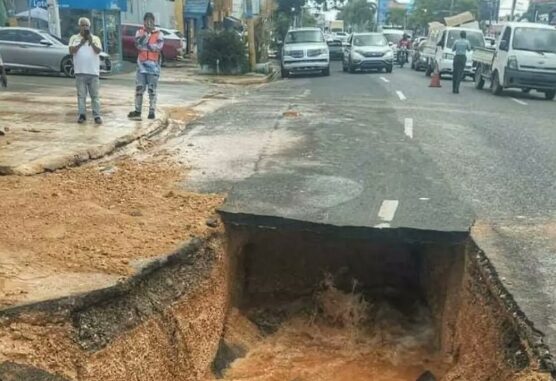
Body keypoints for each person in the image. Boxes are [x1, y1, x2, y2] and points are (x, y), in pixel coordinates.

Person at [128, 12, 164, 120]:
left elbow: (158, 47)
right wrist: (146, 35)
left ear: (154, 21)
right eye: (146, 20)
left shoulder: (159, 34)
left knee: (152, 90)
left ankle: (152, 111)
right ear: (144, 21)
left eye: (151, 20)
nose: (149, 23)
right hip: (141, 66)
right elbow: (138, 45)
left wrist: (148, 44)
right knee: (139, 89)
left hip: (153, 67)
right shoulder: (139, 32)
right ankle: (137, 110)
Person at [69, 17, 103, 124]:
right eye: (82, 25)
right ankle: (82, 115)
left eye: (86, 25)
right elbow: (71, 51)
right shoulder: (74, 38)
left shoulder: (96, 38)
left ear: (90, 27)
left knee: (95, 96)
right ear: (79, 27)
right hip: (80, 72)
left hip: (93, 73)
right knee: (81, 96)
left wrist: (91, 42)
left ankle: (97, 116)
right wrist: (81, 43)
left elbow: (98, 51)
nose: (85, 27)